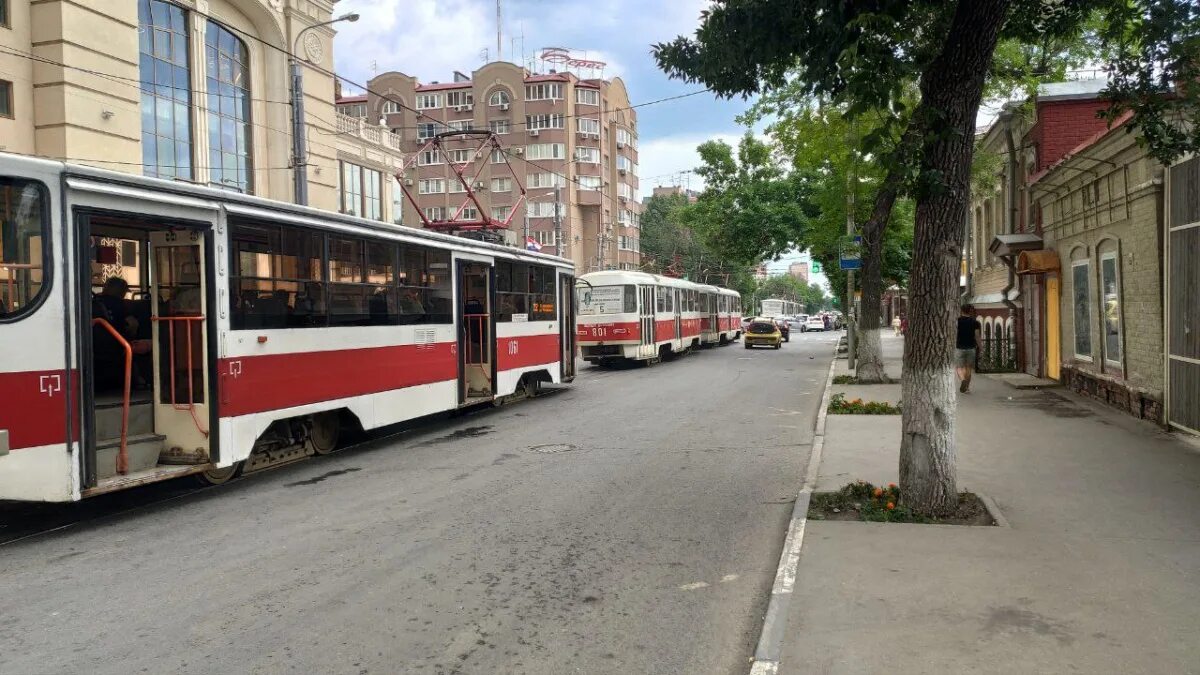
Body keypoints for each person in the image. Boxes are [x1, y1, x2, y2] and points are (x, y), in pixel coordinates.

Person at [955, 304, 982, 393]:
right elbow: (977, 336)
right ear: (970, 311)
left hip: (959, 347)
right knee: (968, 368)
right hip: (971, 348)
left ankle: (963, 380)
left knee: (959, 368)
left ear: (961, 311)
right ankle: (966, 388)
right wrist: (980, 347)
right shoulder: (975, 322)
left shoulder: (957, 322)